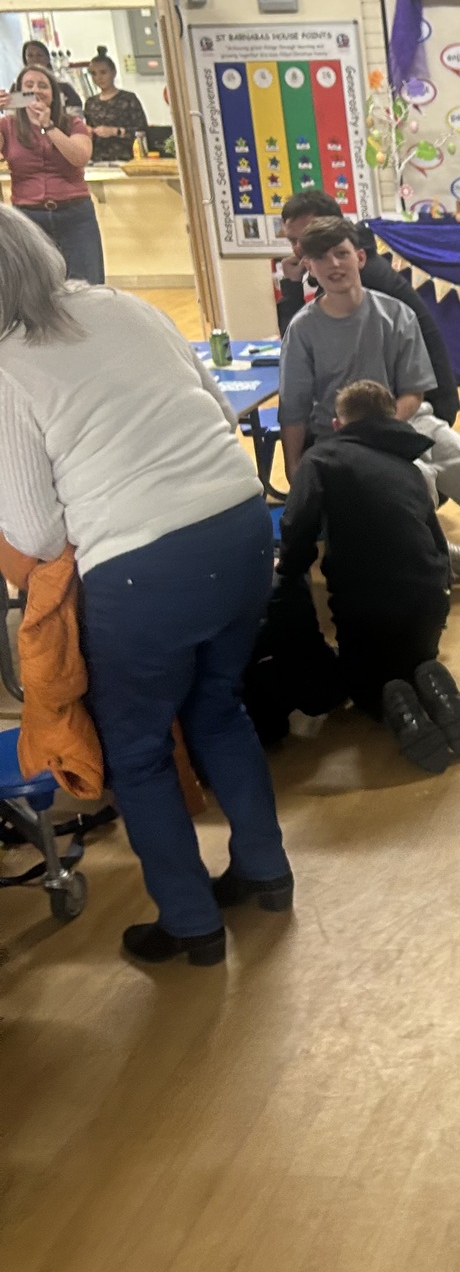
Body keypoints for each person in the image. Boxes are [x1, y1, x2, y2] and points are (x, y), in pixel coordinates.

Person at [0, 207, 290, 965]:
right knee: (218, 708)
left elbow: (36, 534)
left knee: (135, 751)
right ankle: (266, 870)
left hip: (143, 569)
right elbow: (218, 409)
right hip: (240, 527)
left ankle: (192, 923)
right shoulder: (124, 305)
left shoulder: (7, 365)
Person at [276, 379, 460, 773]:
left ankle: (393, 706)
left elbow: (297, 528)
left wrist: (287, 576)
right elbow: (436, 543)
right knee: (412, 659)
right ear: (393, 419)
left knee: (365, 684)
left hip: (367, 607)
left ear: (337, 425)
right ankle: (430, 682)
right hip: (429, 603)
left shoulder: (321, 459)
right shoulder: (410, 468)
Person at [273, 190, 460, 426]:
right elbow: (296, 342)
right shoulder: (351, 263)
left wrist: (292, 287)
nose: (300, 248)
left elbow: (294, 340)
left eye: (306, 236)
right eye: (293, 241)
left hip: (420, 404)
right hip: (399, 400)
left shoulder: (351, 277)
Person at [277, 217, 436, 480]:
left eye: (341, 253)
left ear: (360, 257)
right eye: (321, 257)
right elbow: (294, 410)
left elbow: (413, 392)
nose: (334, 264)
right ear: (309, 267)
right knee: (420, 478)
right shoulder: (302, 329)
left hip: (402, 423)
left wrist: (381, 433)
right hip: (338, 438)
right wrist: (293, 468)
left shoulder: (397, 315)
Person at [0, 64, 102, 284]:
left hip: (75, 215)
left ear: (54, 95)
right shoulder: (7, 126)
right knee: (35, 289)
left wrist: (48, 126)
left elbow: (79, 157)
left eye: (43, 86)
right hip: (28, 218)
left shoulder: (72, 123)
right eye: (29, 85)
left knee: (87, 286)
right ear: (17, 93)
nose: (36, 90)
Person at [81, 51, 148, 165]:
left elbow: (142, 132)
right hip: (98, 160)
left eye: (103, 72)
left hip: (126, 158)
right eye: (94, 74)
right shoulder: (90, 103)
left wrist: (115, 131)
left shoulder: (128, 99)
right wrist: (87, 132)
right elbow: (89, 130)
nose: (99, 78)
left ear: (113, 72)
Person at [17, 40, 82, 112]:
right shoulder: (17, 88)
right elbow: (12, 115)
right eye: (30, 56)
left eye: (39, 55)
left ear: (47, 58)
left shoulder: (64, 87)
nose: (35, 59)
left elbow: (75, 114)